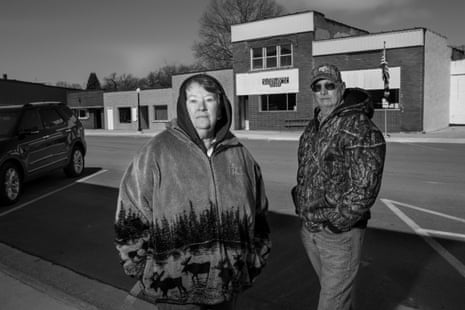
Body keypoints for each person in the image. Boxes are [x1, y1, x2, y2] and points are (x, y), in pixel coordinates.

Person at [115, 74, 271, 310]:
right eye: (193, 100)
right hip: (176, 294)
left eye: (208, 99)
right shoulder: (156, 152)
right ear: (183, 107)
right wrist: (143, 268)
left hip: (228, 289)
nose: (201, 108)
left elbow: (259, 216)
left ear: (220, 107)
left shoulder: (241, 155)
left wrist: (254, 261)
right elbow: (130, 217)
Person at [291, 64, 386, 310]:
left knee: (331, 302)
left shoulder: (359, 127)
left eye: (329, 85)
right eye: (317, 87)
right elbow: (306, 172)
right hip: (311, 228)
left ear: (341, 89)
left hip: (338, 234)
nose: (323, 92)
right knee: (337, 297)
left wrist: (336, 224)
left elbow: (364, 186)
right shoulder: (313, 127)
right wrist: (300, 202)